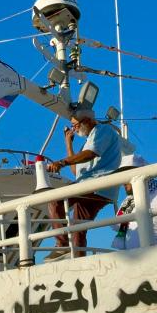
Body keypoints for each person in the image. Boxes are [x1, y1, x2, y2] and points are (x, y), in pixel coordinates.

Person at [45, 108, 123, 258]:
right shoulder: (89, 141)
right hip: (90, 186)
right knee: (78, 229)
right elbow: (76, 171)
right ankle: (78, 260)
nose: (74, 129)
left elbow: (91, 154)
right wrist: (68, 144)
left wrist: (61, 162)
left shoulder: (103, 130)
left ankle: (62, 245)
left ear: (87, 120)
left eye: (75, 125)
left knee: (55, 200)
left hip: (96, 185)